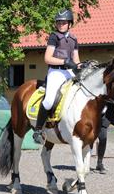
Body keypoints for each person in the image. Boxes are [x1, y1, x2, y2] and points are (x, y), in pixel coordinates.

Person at [33, 9, 80, 144]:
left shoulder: (73, 39)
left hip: (69, 72)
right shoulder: (54, 37)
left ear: (70, 24)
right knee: (48, 101)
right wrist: (64, 61)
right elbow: (47, 58)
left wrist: (82, 66)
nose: (60, 25)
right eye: (58, 22)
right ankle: (38, 130)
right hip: (55, 72)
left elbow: (76, 60)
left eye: (63, 22)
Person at [95, 103, 114, 174]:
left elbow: (111, 113)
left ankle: (99, 164)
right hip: (91, 121)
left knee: (103, 140)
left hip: (103, 123)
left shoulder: (111, 100)